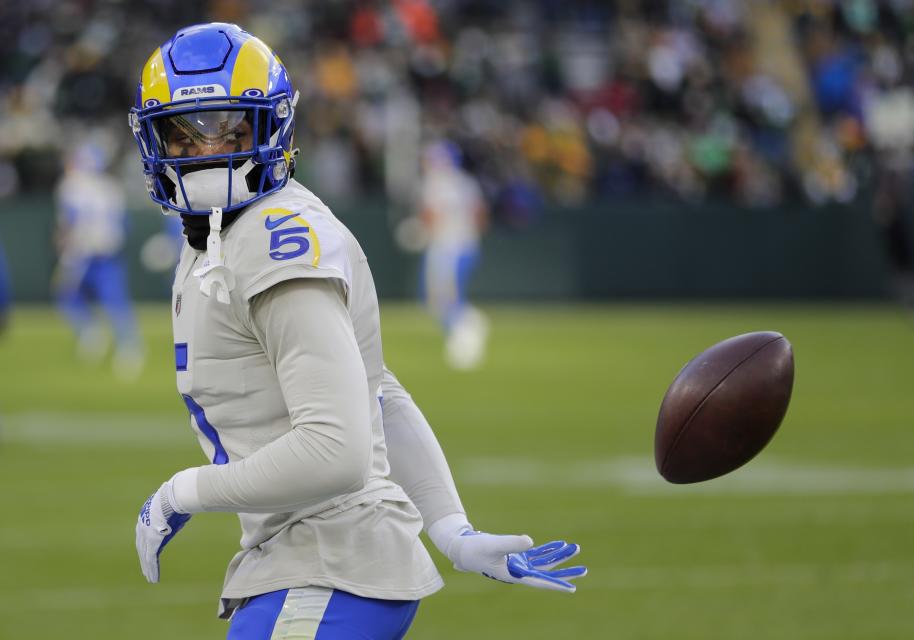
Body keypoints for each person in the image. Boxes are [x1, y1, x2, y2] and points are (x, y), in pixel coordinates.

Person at [130, 23, 585, 639]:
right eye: (180, 135)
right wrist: (450, 528)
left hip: (331, 566)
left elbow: (335, 451)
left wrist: (181, 492)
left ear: (272, 127)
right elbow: (376, 391)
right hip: (317, 561)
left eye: (229, 127)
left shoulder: (270, 237)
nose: (204, 151)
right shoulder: (216, 231)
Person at [53, 140, 144, 377]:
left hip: (83, 252)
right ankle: (125, 347)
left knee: (68, 294)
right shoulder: (111, 187)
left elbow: (69, 223)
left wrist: (64, 248)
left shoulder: (71, 186)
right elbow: (125, 224)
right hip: (107, 250)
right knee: (113, 302)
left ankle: (95, 334)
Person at [418, 140, 490, 369]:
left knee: (441, 299)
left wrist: (420, 233)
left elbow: (431, 216)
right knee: (443, 297)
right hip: (466, 245)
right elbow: (480, 215)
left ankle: (466, 335)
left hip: (446, 248)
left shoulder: (435, 184)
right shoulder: (467, 182)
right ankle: (469, 324)